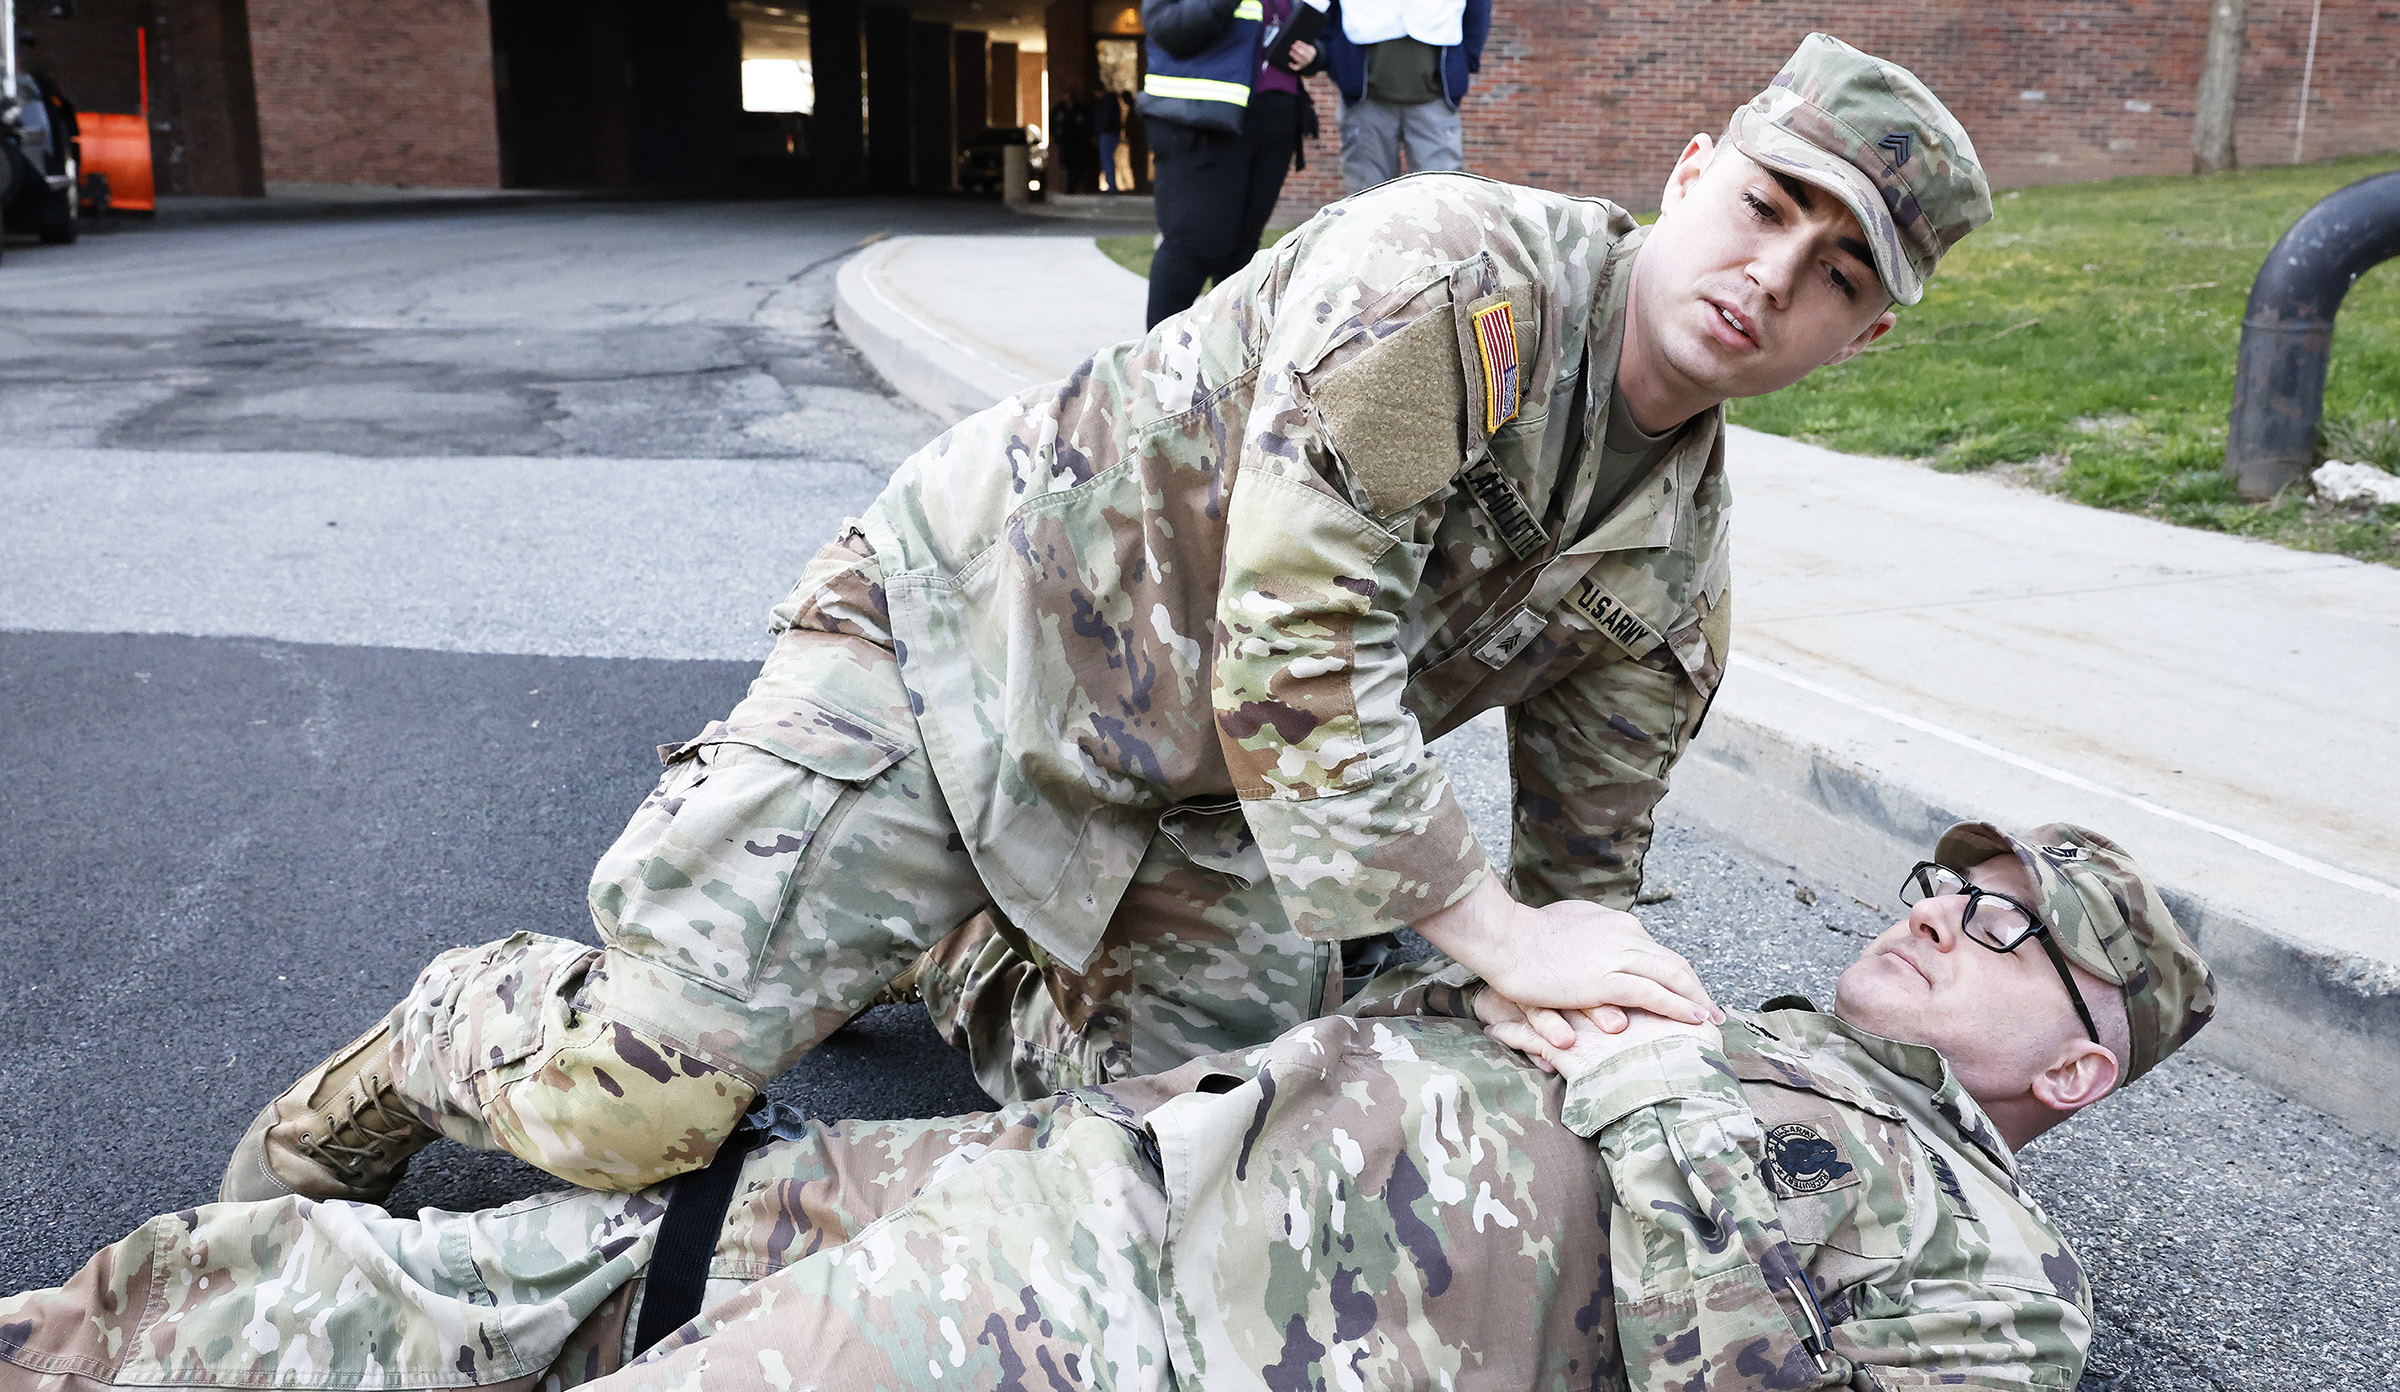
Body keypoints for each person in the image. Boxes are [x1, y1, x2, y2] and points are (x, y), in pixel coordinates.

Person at [213, 34, 1996, 1221]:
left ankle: (962, 945)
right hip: (962, 648)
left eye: (1843, 276)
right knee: (637, 1108)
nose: (1775, 277)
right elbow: (1298, 648)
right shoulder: (1456, 280)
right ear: (1692, 172)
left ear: (1870, 339)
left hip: (1208, 802)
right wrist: (1481, 929)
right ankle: (427, 1041)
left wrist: (1603, 1013)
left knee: (1184, 1175)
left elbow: (1585, 885)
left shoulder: (1672, 579)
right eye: (1772, 208)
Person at [0, 821, 2217, 1392]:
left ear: (2078, 1066)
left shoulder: (1997, 1282)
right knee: (416, 1293)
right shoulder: (1738, 1012)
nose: (1942, 910)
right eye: (1945, 877)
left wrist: (1657, 1110)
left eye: (2008, 926)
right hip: (1053, 1182)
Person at [1136, 0, 1324, 326]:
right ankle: (1156, 365)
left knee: (1243, 250)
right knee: (1194, 244)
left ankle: (1228, 365)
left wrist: (1316, 55)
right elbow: (1168, 29)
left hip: (1274, 118)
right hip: (1203, 119)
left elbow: (1321, 33)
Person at [1320, 0, 1488, 192]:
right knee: (1366, 199)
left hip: (1435, 99)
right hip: (1366, 101)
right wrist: (1339, 65)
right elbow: (1326, 14)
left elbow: (1477, 12)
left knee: (1443, 196)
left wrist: (1464, 63)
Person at [1095, 80, 1125, 191]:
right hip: (1112, 133)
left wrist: (1099, 130)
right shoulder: (1111, 101)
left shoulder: (1106, 102)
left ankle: (1112, 186)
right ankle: (1111, 185)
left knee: (1107, 159)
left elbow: (1105, 120)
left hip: (1108, 133)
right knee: (1108, 159)